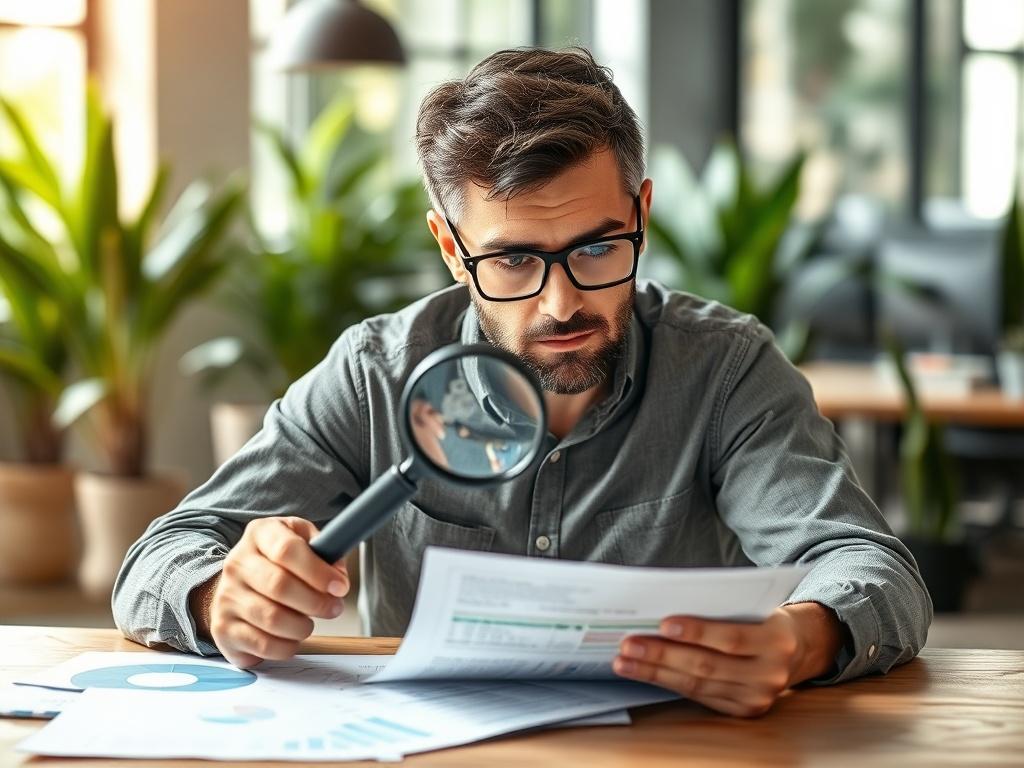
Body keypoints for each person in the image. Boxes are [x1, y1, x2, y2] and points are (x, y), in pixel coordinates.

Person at [114, 46, 931, 718]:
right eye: (512, 259)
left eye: (597, 247)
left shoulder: (725, 370)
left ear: (641, 212)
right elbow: (158, 559)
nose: (563, 300)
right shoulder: (375, 372)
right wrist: (219, 593)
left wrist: (800, 638)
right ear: (449, 245)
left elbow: (870, 569)